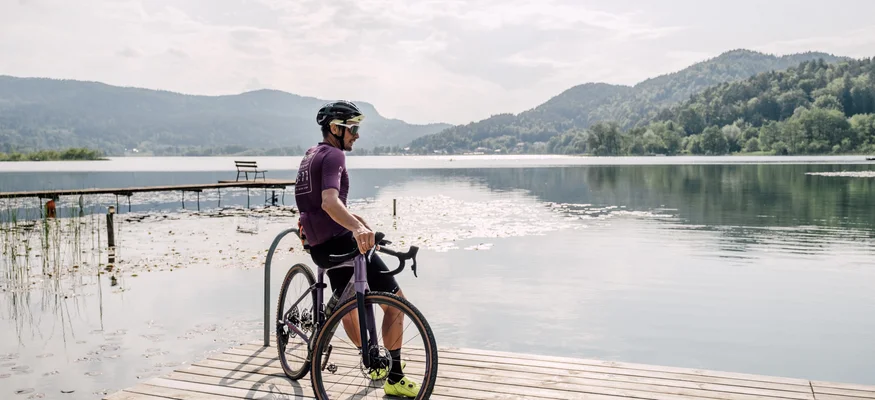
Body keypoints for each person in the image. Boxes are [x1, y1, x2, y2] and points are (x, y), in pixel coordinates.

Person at [294, 100, 419, 398]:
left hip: (320, 247)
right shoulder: (335, 155)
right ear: (335, 128)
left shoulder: (311, 155)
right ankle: (395, 377)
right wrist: (358, 229)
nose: (357, 135)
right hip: (342, 243)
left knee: (351, 303)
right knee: (396, 302)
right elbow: (329, 202)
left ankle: (371, 360)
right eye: (353, 128)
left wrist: (361, 222)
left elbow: (320, 207)